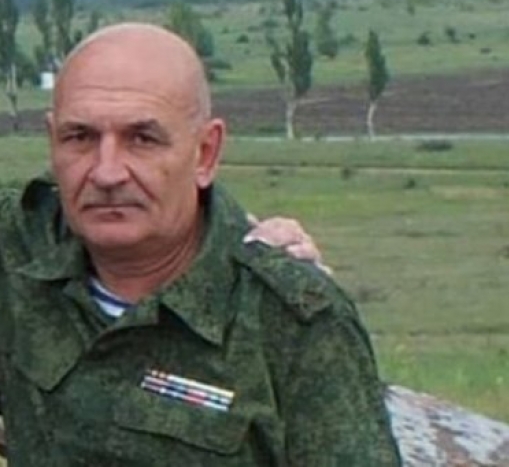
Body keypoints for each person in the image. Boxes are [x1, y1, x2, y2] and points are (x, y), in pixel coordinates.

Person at [0, 23, 400, 466]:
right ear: (52, 141)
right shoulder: (20, 244)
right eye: (80, 137)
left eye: (142, 139)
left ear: (206, 153)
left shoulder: (291, 322)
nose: (106, 172)